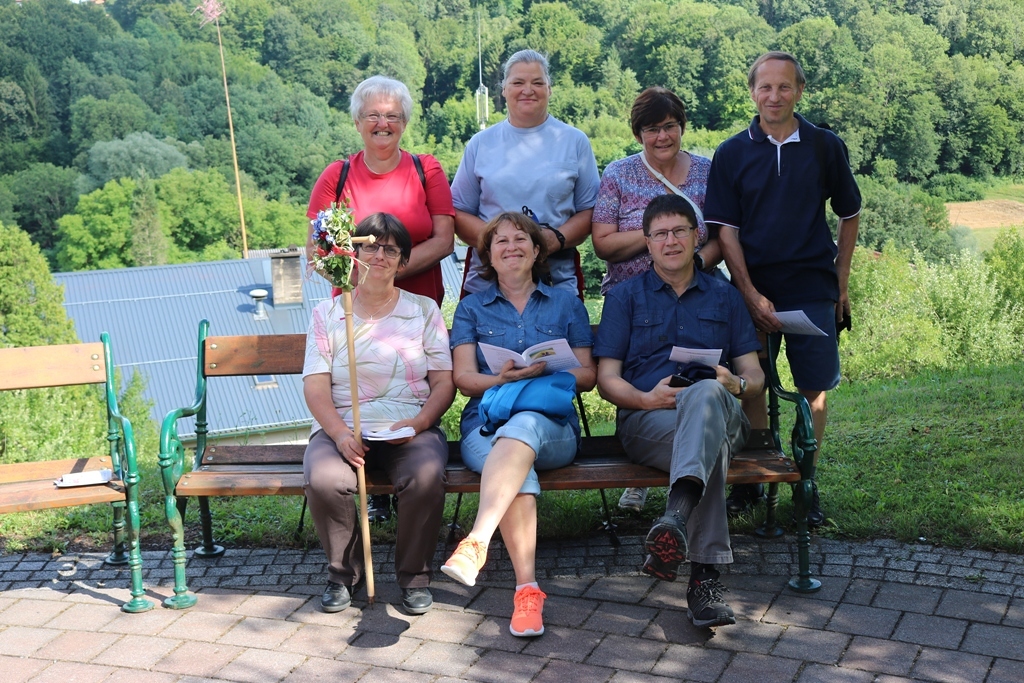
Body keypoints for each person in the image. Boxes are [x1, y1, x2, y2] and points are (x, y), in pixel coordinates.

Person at [704, 52, 861, 526]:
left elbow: (850, 213)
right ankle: (752, 479)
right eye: (765, 87)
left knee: (814, 390)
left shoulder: (824, 146)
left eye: (784, 86)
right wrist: (749, 293)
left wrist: (840, 281)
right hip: (752, 290)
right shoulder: (731, 153)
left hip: (812, 289)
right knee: (750, 385)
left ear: (800, 90)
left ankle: (805, 483)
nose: (774, 96)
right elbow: (725, 231)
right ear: (752, 92)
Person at [594, 194, 763, 628]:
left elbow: (754, 376)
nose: (671, 241)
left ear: (697, 236)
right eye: (660, 234)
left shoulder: (725, 297)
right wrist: (645, 398)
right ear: (647, 243)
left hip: (721, 412)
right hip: (649, 421)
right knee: (708, 448)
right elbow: (607, 379)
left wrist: (737, 385)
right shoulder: (625, 298)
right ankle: (703, 581)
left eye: (680, 231)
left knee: (705, 394)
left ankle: (675, 518)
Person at [306, 75, 456, 522]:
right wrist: (366, 279)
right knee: (360, 386)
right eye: (372, 114)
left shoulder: (426, 169)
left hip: (416, 308)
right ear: (357, 121)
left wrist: (388, 270)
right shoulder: (337, 176)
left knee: (406, 387)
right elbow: (318, 247)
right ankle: (371, 490)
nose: (382, 123)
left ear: (405, 122)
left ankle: (405, 472)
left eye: (392, 115)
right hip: (356, 310)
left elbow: (444, 239)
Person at [441, 212, 596, 637]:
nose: (512, 247)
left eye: (521, 239)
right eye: (501, 242)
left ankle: (477, 539)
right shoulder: (471, 308)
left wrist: (542, 373)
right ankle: (527, 592)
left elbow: (588, 375)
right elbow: (463, 379)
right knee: (516, 463)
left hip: (554, 430)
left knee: (525, 422)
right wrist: (502, 380)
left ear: (537, 249)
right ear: (488, 256)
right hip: (485, 427)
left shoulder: (566, 303)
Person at [301, 213, 455, 616]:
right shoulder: (328, 314)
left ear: (403, 261)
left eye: (390, 249)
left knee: (425, 475)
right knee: (325, 479)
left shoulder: (424, 311)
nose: (379, 256)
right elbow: (315, 387)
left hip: (409, 424)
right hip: (343, 427)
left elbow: (444, 382)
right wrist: (339, 434)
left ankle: (415, 577)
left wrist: (420, 423)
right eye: (370, 246)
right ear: (353, 254)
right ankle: (343, 575)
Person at [592, 86, 722, 514]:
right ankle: (644, 471)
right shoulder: (618, 173)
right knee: (644, 376)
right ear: (638, 134)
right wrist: (661, 236)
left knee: (693, 377)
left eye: (669, 126)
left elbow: (722, 235)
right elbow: (603, 243)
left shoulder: (707, 171)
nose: (662, 136)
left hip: (695, 295)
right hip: (633, 303)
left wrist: (692, 262)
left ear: (682, 127)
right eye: (651, 129)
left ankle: (674, 477)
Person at [450, 49, 600, 298]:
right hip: (487, 286)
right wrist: (499, 243)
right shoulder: (480, 144)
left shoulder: (574, 141)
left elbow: (591, 211)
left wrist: (555, 239)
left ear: (549, 89)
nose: (528, 90)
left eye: (537, 83)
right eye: (518, 82)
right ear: (504, 89)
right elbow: (458, 211)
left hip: (557, 284)